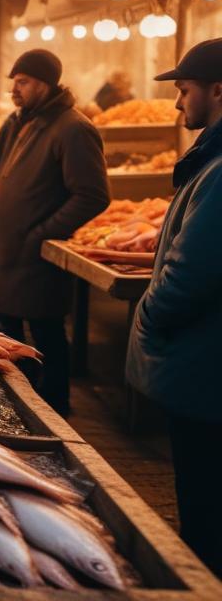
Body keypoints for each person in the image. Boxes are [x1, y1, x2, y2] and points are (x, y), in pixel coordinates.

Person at [125, 39, 222, 574]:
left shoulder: (221, 167)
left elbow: (192, 271)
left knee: (205, 504)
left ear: (217, 90)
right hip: (206, 364)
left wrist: (148, 316)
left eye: (184, 90)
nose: (178, 103)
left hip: (207, 368)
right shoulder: (212, 157)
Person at [0, 49, 109, 416]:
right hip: (8, 250)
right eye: (13, 83)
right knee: (10, 334)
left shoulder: (73, 128)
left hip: (34, 255)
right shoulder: (19, 122)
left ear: (46, 84)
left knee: (47, 333)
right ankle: (21, 408)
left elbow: (92, 195)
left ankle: (54, 410)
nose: (14, 90)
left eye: (24, 82)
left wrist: (42, 234)